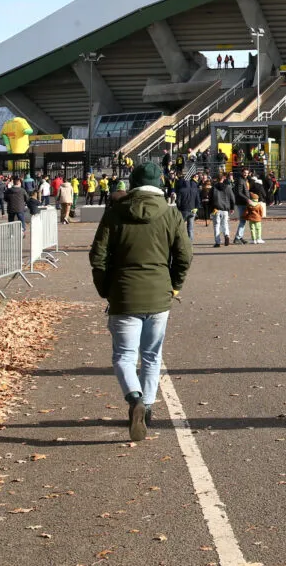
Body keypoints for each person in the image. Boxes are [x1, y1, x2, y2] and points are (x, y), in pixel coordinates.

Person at [88, 161, 192, 441]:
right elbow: (184, 256)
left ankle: (134, 398)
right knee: (151, 355)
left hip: (123, 293)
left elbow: (98, 256)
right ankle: (146, 407)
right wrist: (175, 286)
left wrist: (105, 289)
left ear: (132, 183)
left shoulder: (115, 212)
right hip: (159, 293)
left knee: (124, 355)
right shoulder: (171, 214)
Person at [210, 173, 236, 247]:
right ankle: (226, 234)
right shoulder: (228, 187)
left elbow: (210, 199)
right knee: (225, 224)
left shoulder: (213, 188)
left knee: (216, 225)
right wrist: (232, 208)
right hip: (225, 209)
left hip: (216, 209)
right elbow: (232, 198)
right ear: (223, 179)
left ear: (217, 179)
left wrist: (211, 209)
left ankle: (217, 242)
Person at [175, 176, 200, 241]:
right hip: (192, 210)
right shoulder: (194, 190)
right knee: (190, 228)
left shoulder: (181, 190)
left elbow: (178, 201)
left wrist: (179, 208)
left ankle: (181, 240)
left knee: (181, 227)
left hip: (183, 210)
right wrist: (196, 208)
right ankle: (190, 242)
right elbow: (198, 201)